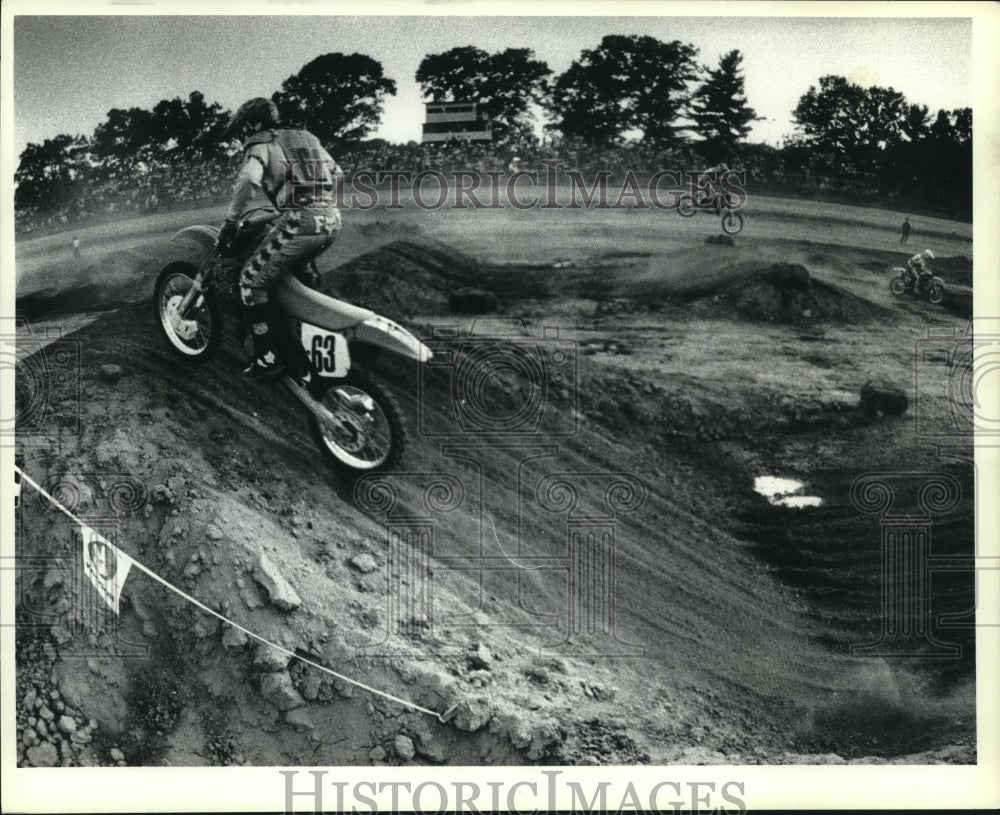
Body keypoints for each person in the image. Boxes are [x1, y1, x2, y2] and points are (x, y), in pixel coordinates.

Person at [216, 98, 343, 379]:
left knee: (249, 280)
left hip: (302, 220)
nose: (241, 136)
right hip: (331, 218)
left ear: (252, 124)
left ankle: (266, 356)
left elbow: (249, 180)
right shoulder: (306, 137)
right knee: (300, 274)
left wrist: (231, 220)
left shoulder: (261, 142)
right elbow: (337, 172)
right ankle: (313, 338)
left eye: (242, 129)